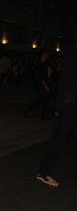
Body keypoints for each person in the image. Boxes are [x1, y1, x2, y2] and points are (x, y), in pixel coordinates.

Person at [36, 30, 77, 187]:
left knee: (60, 138)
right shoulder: (72, 53)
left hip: (70, 105)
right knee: (58, 139)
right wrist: (59, 106)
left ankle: (43, 172)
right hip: (69, 106)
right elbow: (66, 82)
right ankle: (43, 172)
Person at [23, 50, 52, 120]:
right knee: (43, 101)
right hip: (41, 85)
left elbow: (44, 76)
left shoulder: (43, 64)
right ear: (42, 56)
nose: (47, 56)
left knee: (42, 101)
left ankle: (43, 115)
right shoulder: (41, 65)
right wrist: (46, 86)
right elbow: (41, 77)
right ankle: (43, 115)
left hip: (41, 85)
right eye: (46, 55)